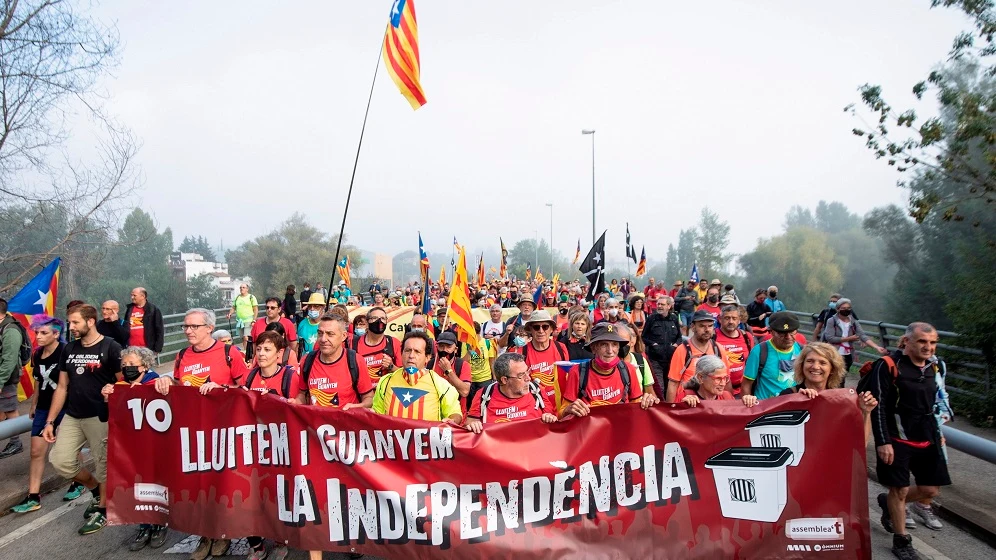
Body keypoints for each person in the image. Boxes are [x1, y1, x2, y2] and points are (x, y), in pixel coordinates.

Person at [153, 308, 248, 560]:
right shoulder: (182, 354)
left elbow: (246, 387)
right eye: (185, 326)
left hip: (223, 430)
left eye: (194, 326)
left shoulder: (230, 353)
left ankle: (223, 532)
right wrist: (165, 381)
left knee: (220, 484)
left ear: (208, 328)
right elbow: (177, 384)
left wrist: (222, 387)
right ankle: (206, 533)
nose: (188, 331)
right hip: (191, 430)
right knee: (197, 485)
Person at [869, 323, 950, 560]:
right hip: (897, 437)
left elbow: (939, 399)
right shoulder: (888, 366)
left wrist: (939, 431)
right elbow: (879, 406)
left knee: (930, 489)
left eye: (933, 342)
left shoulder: (936, 366)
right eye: (922, 341)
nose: (928, 347)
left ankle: (888, 503)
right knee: (900, 489)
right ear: (906, 342)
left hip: (928, 434)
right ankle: (901, 540)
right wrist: (883, 441)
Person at [43, 304, 122, 535]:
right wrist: (50, 421)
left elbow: (123, 382)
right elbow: (62, 386)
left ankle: (105, 510)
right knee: (60, 461)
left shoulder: (110, 347)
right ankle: (96, 489)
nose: (71, 327)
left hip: (100, 417)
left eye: (75, 322)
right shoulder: (69, 349)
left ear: (90, 321)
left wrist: (113, 391)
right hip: (72, 415)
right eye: (70, 322)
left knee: (104, 464)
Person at [9, 316, 84, 513]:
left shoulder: (66, 352)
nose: (38, 337)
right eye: (37, 333)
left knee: (69, 449)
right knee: (36, 451)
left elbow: (71, 382)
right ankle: (33, 496)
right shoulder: (38, 353)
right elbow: (37, 379)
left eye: (43, 333)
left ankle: (78, 482)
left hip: (66, 407)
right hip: (43, 407)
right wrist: (33, 403)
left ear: (56, 334)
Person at [98, 345, 168, 550]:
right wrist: (106, 399)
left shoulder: (156, 382)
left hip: (155, 446)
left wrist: (166, 384)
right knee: (136, 485)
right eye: (124, 364)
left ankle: (159, 523)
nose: (127, 367)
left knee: (155, 484)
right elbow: (105, 418)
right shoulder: (118, 386)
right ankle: (143, 524)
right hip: (131, 448)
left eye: (132, 364)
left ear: (144, 366)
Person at [778, 343, 878, 439]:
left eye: (823, 362)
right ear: (801, 366)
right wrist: (796, 402)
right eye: (810, 361)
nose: (815, 367)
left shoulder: (841, 401)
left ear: (832, 369)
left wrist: (866, 412)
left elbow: (859, 444)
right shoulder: (788, 396)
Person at [559, 323, 659, 418]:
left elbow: (637, 407)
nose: (610, 351)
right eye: (604, 344)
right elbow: (561, 413)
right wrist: (569, 409)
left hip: (621, 431)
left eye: (614, 344)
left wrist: (647, 402)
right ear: (593, 348)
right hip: (591, 433)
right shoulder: (578, 372)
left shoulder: (629, 370)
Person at [371, 330, 462, 422]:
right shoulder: (385, 382)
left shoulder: (440, 384)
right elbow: (377, 414)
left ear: (427, 357)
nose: (411, 355)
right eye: (407, 350)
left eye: (417, 352)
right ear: (401, 354)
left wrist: (452, 420)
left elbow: (455, 413)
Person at [465, 353, 557, 432]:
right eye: (521, 375)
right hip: (498, 451)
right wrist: (473, 425)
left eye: (527, 372)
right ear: (504, 380)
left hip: (532, 449)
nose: (528, 378)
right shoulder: (484, 395)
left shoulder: (537, 391)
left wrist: (550, 418)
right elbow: (470, 423)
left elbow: (552, 419)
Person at [296, 314, 373, 409]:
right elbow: (303, 394)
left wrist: (358, 406)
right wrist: (296, 402)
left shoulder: (355, 361)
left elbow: (369, 398)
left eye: (330, 334)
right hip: (316, 422)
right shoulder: (307, 360)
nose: (323, 339)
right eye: (320, 333)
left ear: (344, 336)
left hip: (346, 422)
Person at [666, 310, 729, 403]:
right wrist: (670, 411)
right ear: (693, 327)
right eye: (702, 326)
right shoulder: (682, 350)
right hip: (687, 402)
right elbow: (673, 383)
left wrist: (730, 406)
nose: (707, 329)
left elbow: (726, 380)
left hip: (713, 403)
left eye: (710, 326)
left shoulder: (718, 349)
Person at [741, 311, 803, 400]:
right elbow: (746, 384)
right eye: (782, 333)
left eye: (792, 332)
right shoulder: (759, 351)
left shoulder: (802, 350)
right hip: (766, 407)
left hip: (792, 406)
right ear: (771, 332)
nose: (788, 337)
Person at [512, 310, 569, 404]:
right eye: (536, 327)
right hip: (537, 405)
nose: (541, 331)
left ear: (551, 329)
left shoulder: (561, 348)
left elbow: (567, 376)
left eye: (545, 327)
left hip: (561, 403)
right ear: (530, 330)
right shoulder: (521, 352)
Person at [821, 298, 887, 371]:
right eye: (843, 308)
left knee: (843, 376)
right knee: (835, 376)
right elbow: (830, 338)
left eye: (848, 308)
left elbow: (862, 335)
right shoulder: (832, 321)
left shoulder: (854, 322)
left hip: (848, 354)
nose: (846, 310)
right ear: (838, 309)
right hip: (834, 353)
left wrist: (876, 347)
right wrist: (849, 339)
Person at [0, 297, 28, 458]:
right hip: (3, 377)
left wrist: (1, 381)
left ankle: (16, 442)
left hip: (6, 377)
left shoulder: (10, 330)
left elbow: (9, 359)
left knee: (10, 409)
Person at [679, 355, 759, 408]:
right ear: (700, 378)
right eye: (718, 379)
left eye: (725, 378)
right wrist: (682, 406)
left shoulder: (727, 396)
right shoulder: (685, 396)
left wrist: (746, 403)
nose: (723, 383)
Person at [642, 295, 682, 399]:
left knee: (670, 386)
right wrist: (653, 344)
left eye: (662, 304)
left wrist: (675, 345)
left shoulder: (674, 318)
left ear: (669, 306)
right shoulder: (651, 318)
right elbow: (644, 337)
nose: (659, 306)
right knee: (660, 387)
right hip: (655, 359)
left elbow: (679, 337)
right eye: (658, 304)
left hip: (671, 360)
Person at [354, 307, 402, 387]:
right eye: (374, 318)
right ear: (367, 322)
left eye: (383, 318)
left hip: (385, 394)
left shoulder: (394, 343)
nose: (379, 321)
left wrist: (391, 366)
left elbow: (403, 374)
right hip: (362, 396)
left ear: (387, 321)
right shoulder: (354, 344)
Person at [714, 303, 754, 397]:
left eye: (734, 318)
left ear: (739, 320)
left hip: (743, 389)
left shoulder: (747, 337)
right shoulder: (713, 337)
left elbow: (751, 362)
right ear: (720, 319)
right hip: (720, 391)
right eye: (727, 318)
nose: (731, 321)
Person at [432, 332, 471, 403]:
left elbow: (465, 392)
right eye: (441, 346)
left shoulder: (463, 365)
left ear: (455, 349)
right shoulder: (431, 364)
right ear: (437, 347)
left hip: (457, 411)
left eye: (449, 347)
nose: (444, 350)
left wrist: (448, 371)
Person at [124, 287, 164, 353]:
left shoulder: (153, 310)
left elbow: (159, 330)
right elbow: (125, 327)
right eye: (131, 295)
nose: (132, 297)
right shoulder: (129, 309)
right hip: (131, 349)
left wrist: (157, 349)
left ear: (142, 296)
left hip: (147, 349)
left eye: (134, 295)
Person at [227, 283, 258, 348]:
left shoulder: (251, 297)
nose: (242, 289)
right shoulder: (237, 297)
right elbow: (233, 307)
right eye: (240, 287)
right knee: (242, 337)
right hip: (239, 321)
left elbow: (255, 309)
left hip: (248, 320)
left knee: (246, 337)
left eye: (243, 287)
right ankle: (246, 351)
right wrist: (230, 313)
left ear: (247, 289)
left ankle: (247, 352)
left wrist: (254, 320)